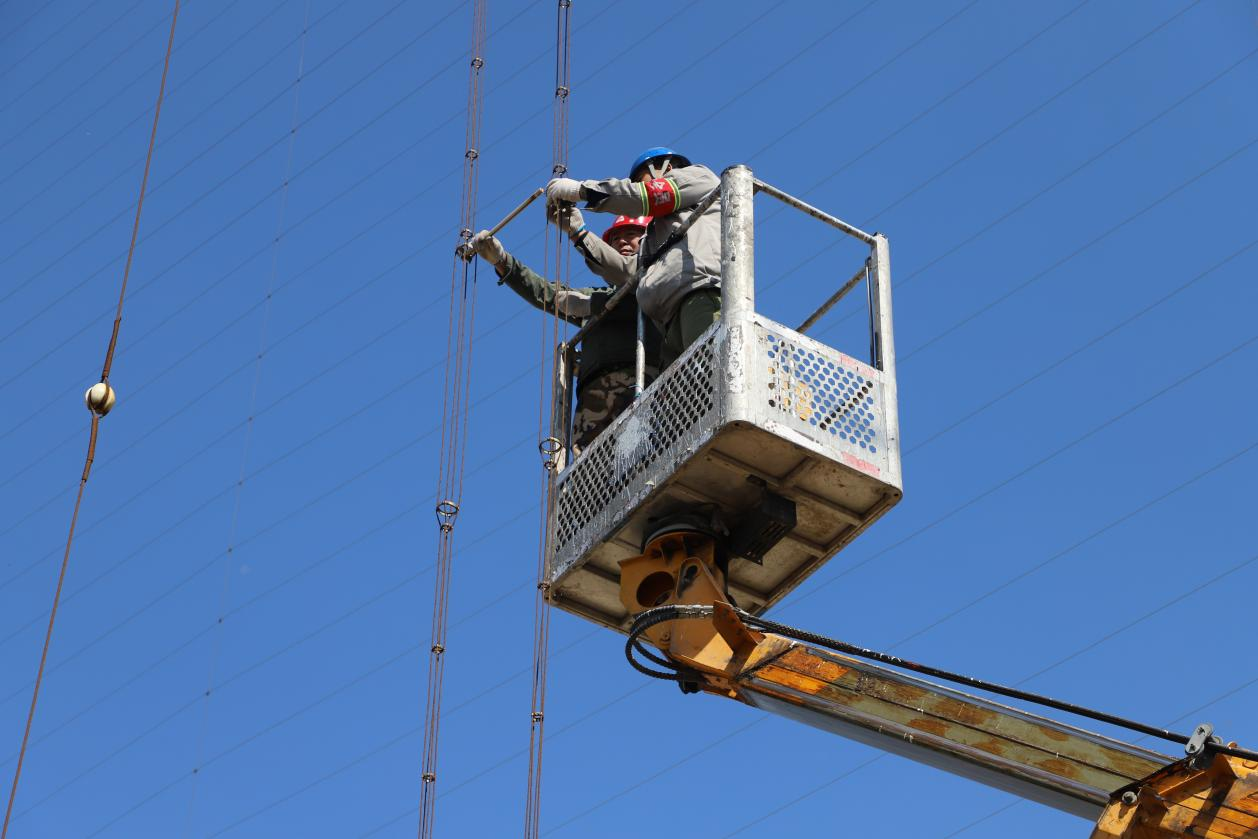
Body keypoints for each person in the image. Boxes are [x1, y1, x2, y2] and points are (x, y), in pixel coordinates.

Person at [466, 216, 661, 452]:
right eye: (615, 239)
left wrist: (594, 304)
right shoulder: (593, 295)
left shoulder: (662, 280)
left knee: (647, 455)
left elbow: (638, 296)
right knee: (592, 470)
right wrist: (502, 262)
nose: (621, 242)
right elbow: (547, 294)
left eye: (630, 234)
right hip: (594, 395)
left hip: (645, 380)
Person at [545, 147, 721, 367]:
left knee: (712, 372)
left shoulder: (696, 177)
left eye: (640, 179)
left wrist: (583, 190)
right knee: (691, 394)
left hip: (699, 294)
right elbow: (626, 271)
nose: (639, 185)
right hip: (668, 323)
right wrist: (578, 232)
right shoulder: (655, 237)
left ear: (663, 166)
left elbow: (647, 196)